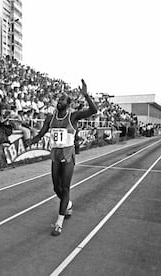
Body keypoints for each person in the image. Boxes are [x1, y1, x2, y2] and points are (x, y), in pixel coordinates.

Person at [26, 79, 98, 236]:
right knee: (56, 188)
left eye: (63, 100)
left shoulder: (73, 116)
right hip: (55, 156)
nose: (59, 101)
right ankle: (68, 204)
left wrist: (86, 96)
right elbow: (40, 134)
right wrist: (30, 142)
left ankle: (59, 222)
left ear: (68, 104)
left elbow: (94, 111)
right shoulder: (49, 118)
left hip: (67, 155)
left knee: (65, 188)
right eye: (58, 99)